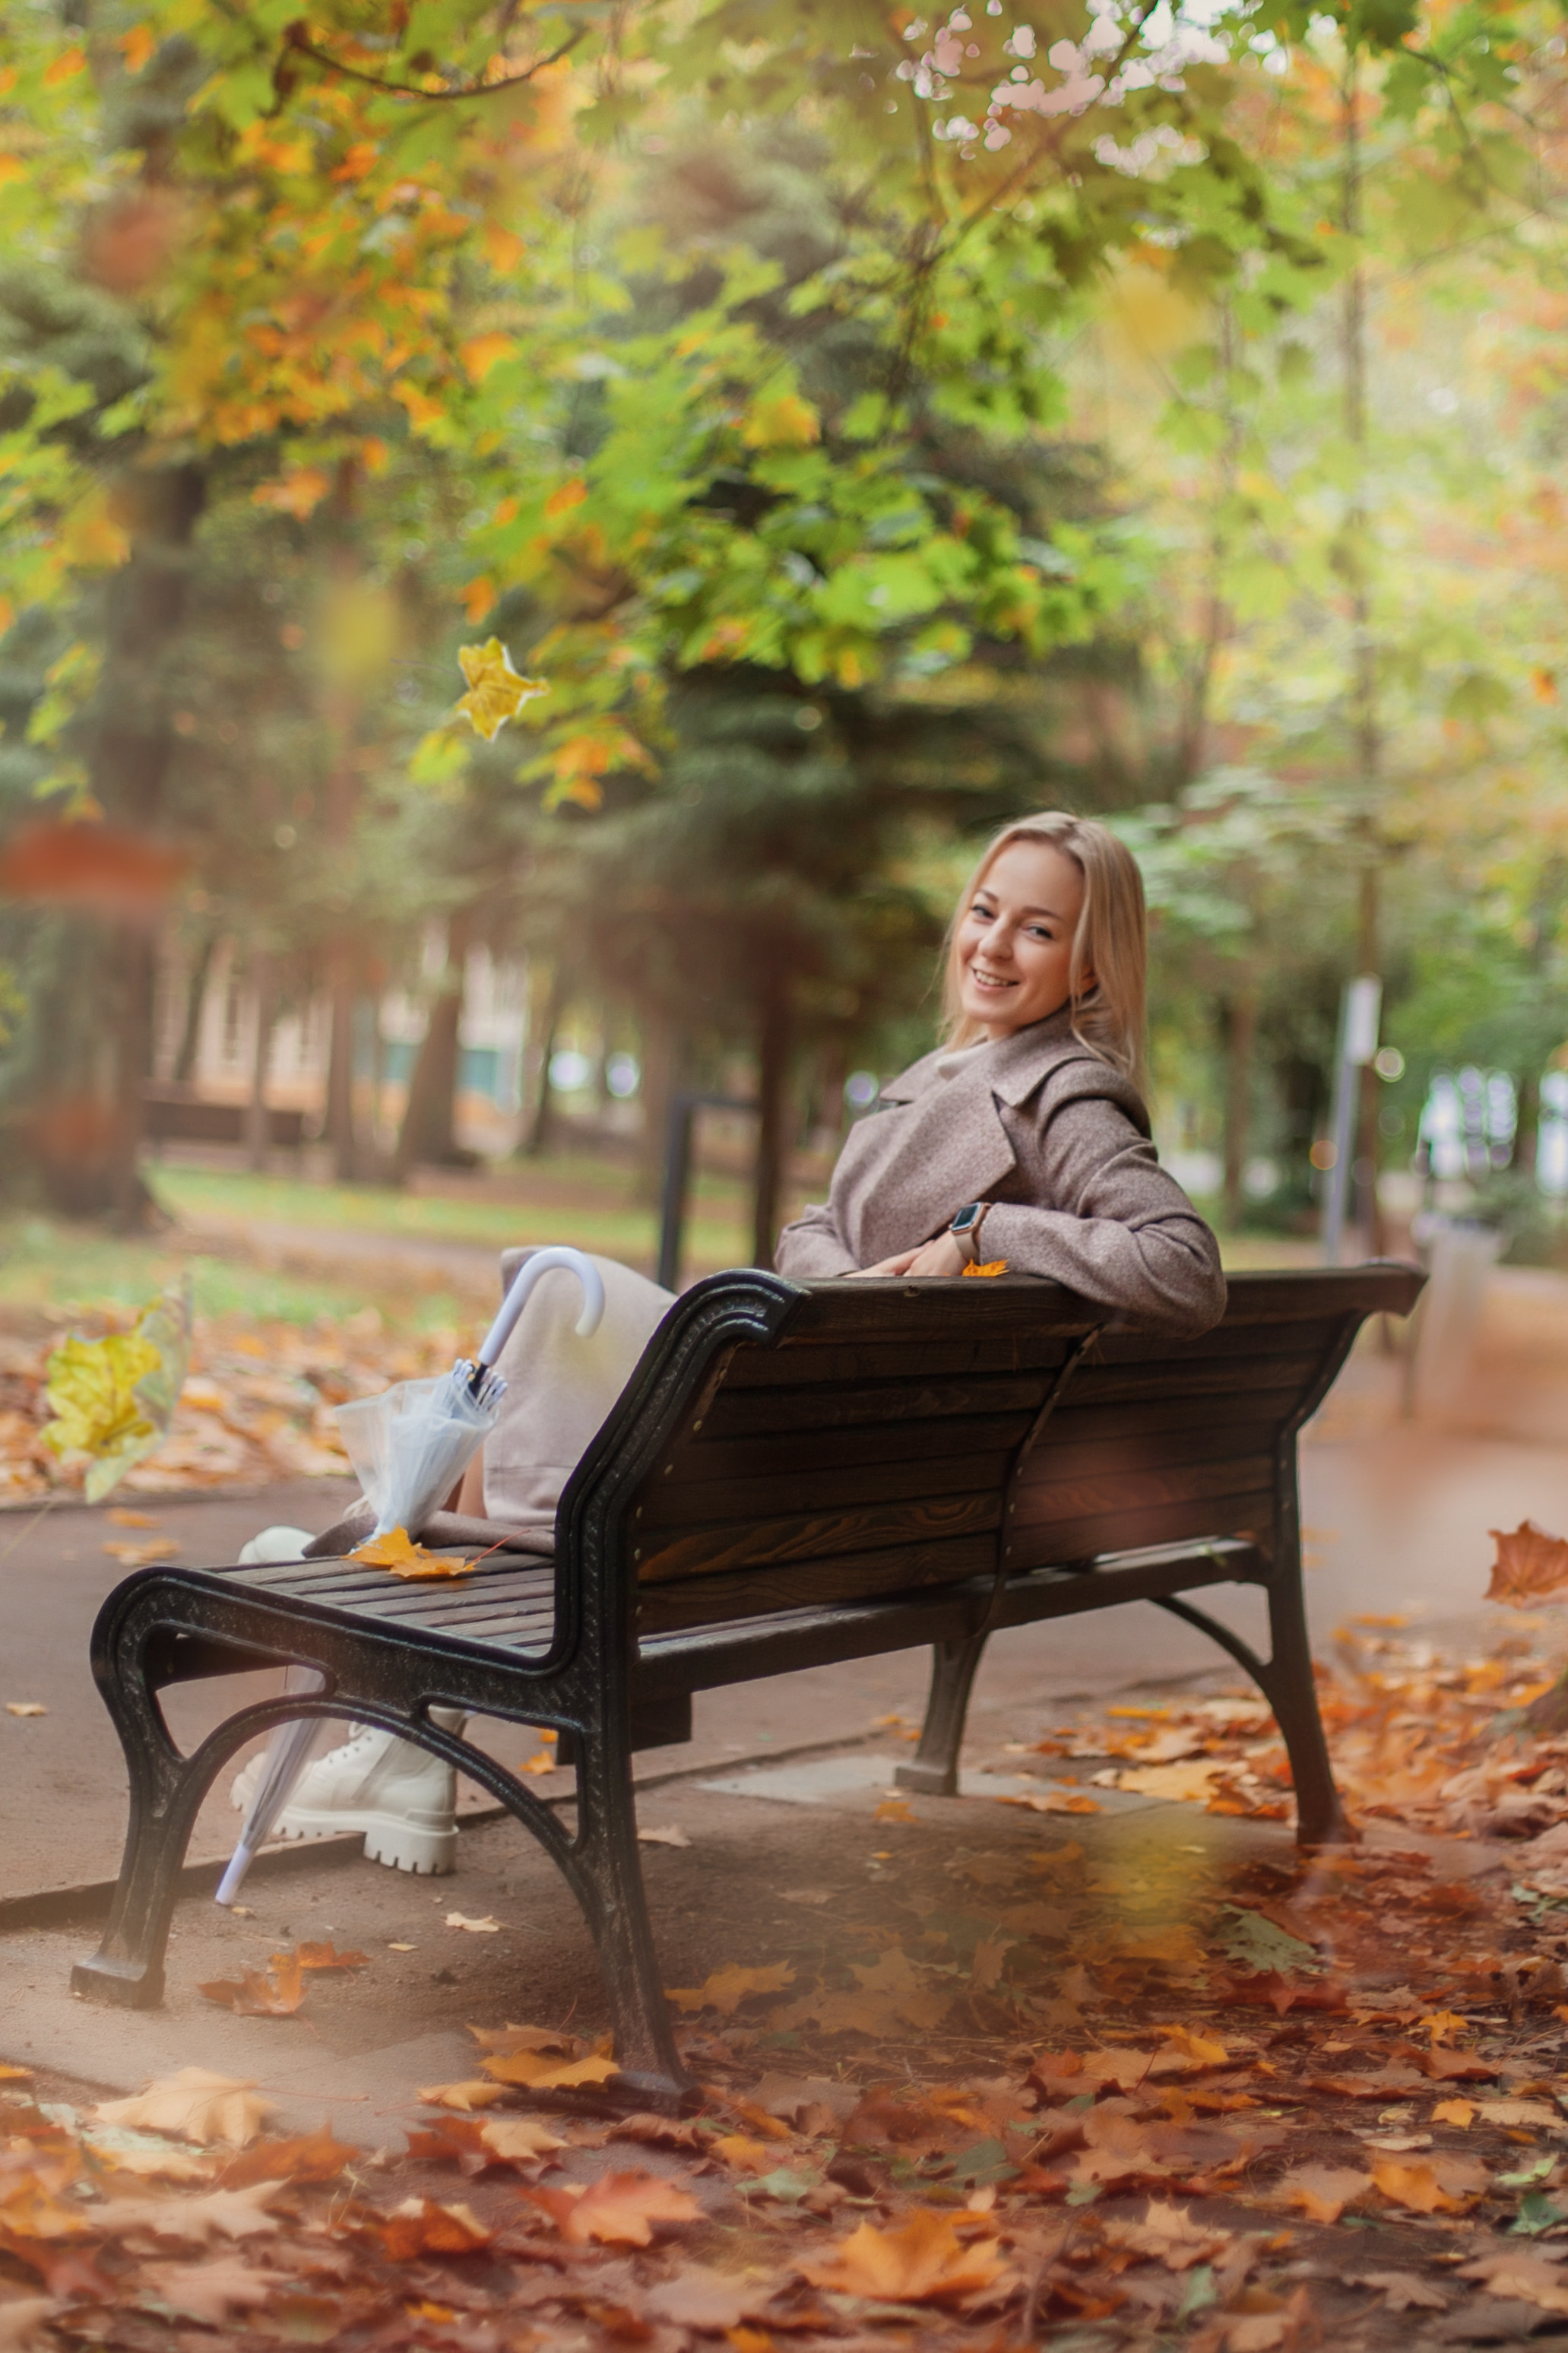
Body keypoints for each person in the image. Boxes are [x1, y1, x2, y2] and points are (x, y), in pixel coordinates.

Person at [234, 809, 1223, 1866]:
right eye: (986, 910)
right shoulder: (959, 1070)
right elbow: (823, 1234)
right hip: (815, 1457)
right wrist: (859, 1270)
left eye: (1038, 930)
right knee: (521, 1352)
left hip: (794, 1478)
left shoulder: (1062, 1095)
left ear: (1090, 964)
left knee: (553, 1292)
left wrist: (984, 1232)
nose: (991, 942)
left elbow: (1184, 1263)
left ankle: (384, 1593)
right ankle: (407, 1716)